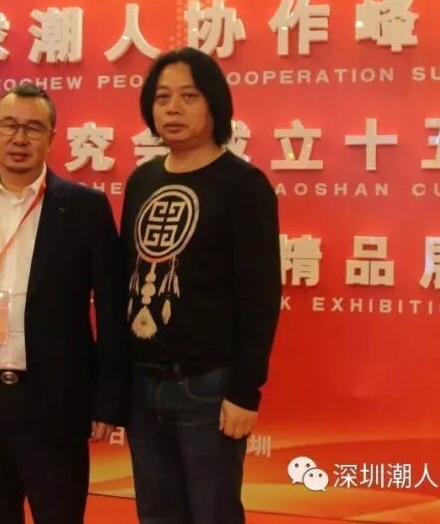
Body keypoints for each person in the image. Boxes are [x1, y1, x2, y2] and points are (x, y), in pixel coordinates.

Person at [0, 84, 129, 524]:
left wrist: (108, 401)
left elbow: (112, 311)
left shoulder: (85, 208)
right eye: (9, 126)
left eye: (33, 128)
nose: (20, 138)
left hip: (56, 401)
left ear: (52, 137)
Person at [120, 47, 281, 524]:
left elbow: (259, 296)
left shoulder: (243, 185)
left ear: (215, 105)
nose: (173, 108)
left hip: (208, 388)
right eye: (162, 97)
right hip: (142, 384)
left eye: (188, 96)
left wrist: (245, 391)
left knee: (213, 513)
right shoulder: (142, 180)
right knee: (156, 514)